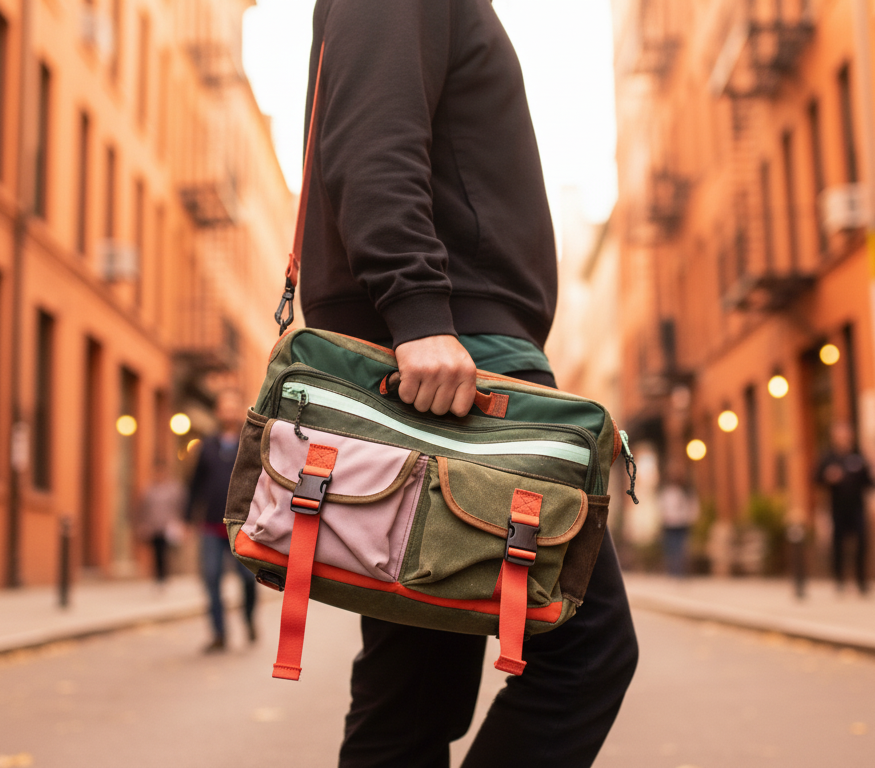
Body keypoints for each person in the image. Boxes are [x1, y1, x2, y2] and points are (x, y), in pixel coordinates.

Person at [298, 2, 638, 766]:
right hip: (453, 362)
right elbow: (372, 138)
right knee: (583, 652)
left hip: (449, 354)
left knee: (415, 691)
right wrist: (417, 310)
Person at [186, 391, 258, 652]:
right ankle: (218, 633)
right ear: (217, 412)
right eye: (224, 407)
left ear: (240, 411)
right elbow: (195, 484)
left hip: (242, 526)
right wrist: (187, 517)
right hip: (210, 526)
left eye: (232, 407)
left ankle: (248, 618)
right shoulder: (207, 445)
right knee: (211, 579)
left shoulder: (250, 443)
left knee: (247, 578)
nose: (228, 412)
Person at [816, 422, 875, 595]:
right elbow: (816, 478)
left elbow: (869, 481)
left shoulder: (857, 456)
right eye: (840, 435)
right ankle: (839, 580)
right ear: (834, 437)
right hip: (837, 507)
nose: (843, 438)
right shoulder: (828, 457)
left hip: (857, 507)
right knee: (838, 544)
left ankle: (861, 580)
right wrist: (828, 477)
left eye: (846, 435)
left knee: (862, 541)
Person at [134, 462, 185, 587]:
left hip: (168, 526)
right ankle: (158, 576)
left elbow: (180, 507)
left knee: (165, 551)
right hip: (153, 526)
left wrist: (179, 522)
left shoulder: (174, 489)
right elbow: (143, 509)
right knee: (156, 552)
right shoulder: (148, 489)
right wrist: (143, 524)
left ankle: (164, 576)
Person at [659, 478, 700, 577]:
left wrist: (691, 518)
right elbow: (662, 506)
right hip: (670, 524)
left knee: (681, 547)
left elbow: (693, 507)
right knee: (672, 547)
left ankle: (680, 571)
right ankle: (673, 571)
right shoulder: (667, 492)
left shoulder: (687, 492)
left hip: (682, 523)